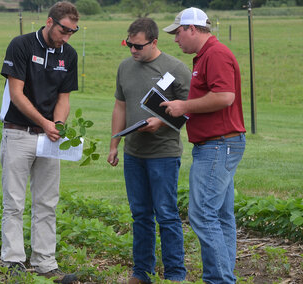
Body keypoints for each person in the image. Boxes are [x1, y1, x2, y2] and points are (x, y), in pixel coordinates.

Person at [161, 7, 246, 284]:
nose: (175, 39)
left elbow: (224, 97)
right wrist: (176, 113)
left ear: (192, 29)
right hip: (220, 143)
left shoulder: (216, 54)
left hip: (218, 144)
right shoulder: (205, 56)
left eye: (178, 33)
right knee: (220, 215)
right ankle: (222, 277)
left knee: (202, 213)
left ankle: (220, 280)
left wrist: (183, 104)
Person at [0, 1, 79, 283]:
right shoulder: (20, 45)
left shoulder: (68, 54)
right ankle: (13, 261)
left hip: (49, 139)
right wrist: (42, 122)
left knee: (47, 202)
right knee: (14, 201)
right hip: (18, 132)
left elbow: (64, 98)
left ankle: (45, 262)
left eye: (72, 32)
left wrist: (56, 124)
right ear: (49, 22)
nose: (66, 37)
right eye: (63, 30)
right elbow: (16, 93)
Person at [107, 18, 191, 284]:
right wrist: (114, 144)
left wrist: (162, 121)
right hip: (133, 153)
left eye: (138, 46)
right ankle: (142, 273)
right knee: (140, 214)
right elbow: (120, 106)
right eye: (129, 45)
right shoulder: (124, 68)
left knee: (166, 214)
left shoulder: (176, 68)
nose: (133, 50)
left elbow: (192, 108)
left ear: (154, 42)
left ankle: (176, 275)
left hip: (163, 153)